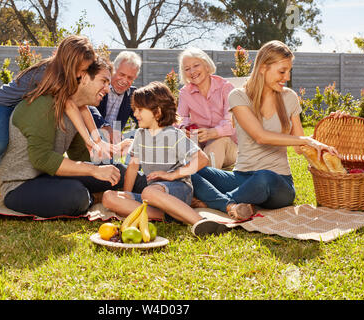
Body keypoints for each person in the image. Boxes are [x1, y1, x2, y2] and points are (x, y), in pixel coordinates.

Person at [0, 35, 112, 205]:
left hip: (22, 105)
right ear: (71, 61)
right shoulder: (50, 74)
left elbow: (81, 107)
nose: (82, 74)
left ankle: (4, 173)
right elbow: (71, 107)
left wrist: (95, 140)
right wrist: (89, 140)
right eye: (82, 69)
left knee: (15, 141)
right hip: (2, 104)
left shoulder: (65, 75)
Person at [191, 40, 339, 221]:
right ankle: (237, 203)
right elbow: (260, 136)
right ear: (263, 68)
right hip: (242, 177)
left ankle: (213, 202)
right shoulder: (238, 96)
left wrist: (331, 125)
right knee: (192, 170)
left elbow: (300, 147)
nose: (287, 77)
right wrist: (306, 140)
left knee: (263, 177)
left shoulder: (289, 98)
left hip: (277, 183)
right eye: (282, 71)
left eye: (289, 71)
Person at [0, 56, 147, 218]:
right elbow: (41, 159)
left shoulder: (77, 112)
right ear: (83, 77)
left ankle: (161, 189)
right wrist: (94, 170)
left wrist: (113, 151)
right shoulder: (43, 105)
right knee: (76, 196)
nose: (107, 88)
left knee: (118, 172)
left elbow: (80, 156)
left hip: (49, 175)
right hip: (19, 185)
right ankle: (95, 196)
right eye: (103, 81)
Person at [102, 82, 230, 236]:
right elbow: (133, 167)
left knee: (148, 192)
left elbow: (202, 159)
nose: (135, 114)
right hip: (152, 195)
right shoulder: (140, 135)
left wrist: (172, 175)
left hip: (178, 189)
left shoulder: (173, 135)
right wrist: (127, 197)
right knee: (108, 197)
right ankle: (171, 215)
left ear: (157, 112)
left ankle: (200, 221)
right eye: (134, 109)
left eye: (140, 110)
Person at [67, 51, 142, 162]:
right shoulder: (97, 86)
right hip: (88, 145)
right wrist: (105, 126)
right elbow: (84, 104)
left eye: (130, 78)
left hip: (113, 149)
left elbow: (143, 117)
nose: (124, 80)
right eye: (121, 74)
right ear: (113, 70)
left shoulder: (132, 95)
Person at [177, 47, 238, 169]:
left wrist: (213, 133)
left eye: (196, 65)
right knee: (185, 144)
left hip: (231, 148)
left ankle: (207, 182)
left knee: (218, 142)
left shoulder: (226, 88)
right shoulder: (185, 92)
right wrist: (184, 128)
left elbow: (232, 123)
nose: (192, 71)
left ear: (206, 65)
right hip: (200, 145)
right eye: (187, 69)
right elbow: (180, 118)